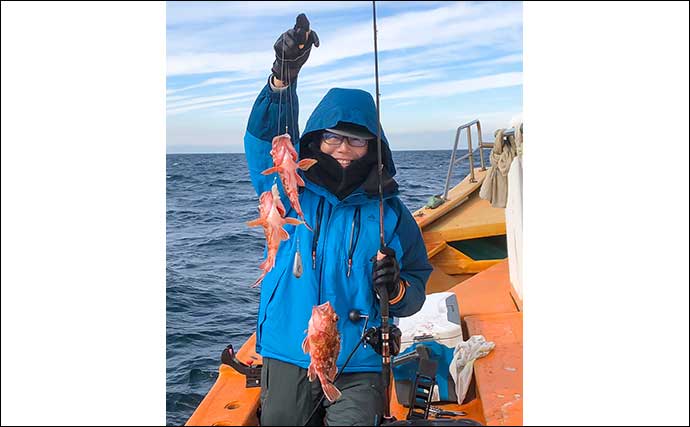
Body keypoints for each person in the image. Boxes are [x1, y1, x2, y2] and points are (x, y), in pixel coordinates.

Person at [243, 14, 432, 426]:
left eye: (357, 139)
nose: (343, 148)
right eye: (332, 136)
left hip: (359, 358)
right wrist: (282, 78)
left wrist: (397, 289)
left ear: (374, 146)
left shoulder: (391, 213)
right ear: (314, 140)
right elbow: (263, 142)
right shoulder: (292, 193)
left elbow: (417, 283)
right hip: (288, 349)